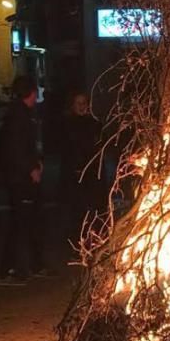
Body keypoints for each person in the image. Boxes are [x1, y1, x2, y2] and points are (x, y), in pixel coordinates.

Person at [0, 75, 48, 285]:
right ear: (32, 93)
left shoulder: (19, 114)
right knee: (20, 222)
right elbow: (17, 148)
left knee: (28, 220)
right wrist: (31, 168)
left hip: (20, 176)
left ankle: (29, 265)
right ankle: (8, 269)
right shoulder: (19, 116)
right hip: (20, 178)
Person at [61, 91, 103, 239]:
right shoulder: (68, 124)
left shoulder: (91, 122)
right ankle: (78, 238)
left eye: (84, 103)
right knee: (77, 207)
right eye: (78, 103)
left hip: (91, 170)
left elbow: (97, 141)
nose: (81, 106)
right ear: (72, 105)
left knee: (91, 205)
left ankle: (91, 236)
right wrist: (77, 167)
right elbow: (71, 148)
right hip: (76, 171)